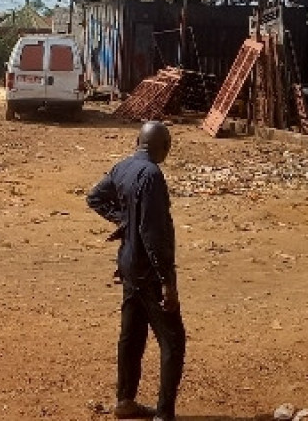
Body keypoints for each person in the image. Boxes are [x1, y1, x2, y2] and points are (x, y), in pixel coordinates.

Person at [85, 121, 186, 421]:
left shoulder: (122, 168)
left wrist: (123, 220)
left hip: (128, 265)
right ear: (164, 148)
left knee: (132, 335)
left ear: (136, 141)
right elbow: (154, 233)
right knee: (173, 341)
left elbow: (95, 198)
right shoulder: (152, 175)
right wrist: (168, 281)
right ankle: (164, 414)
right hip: (147, 270)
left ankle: (125, 401)